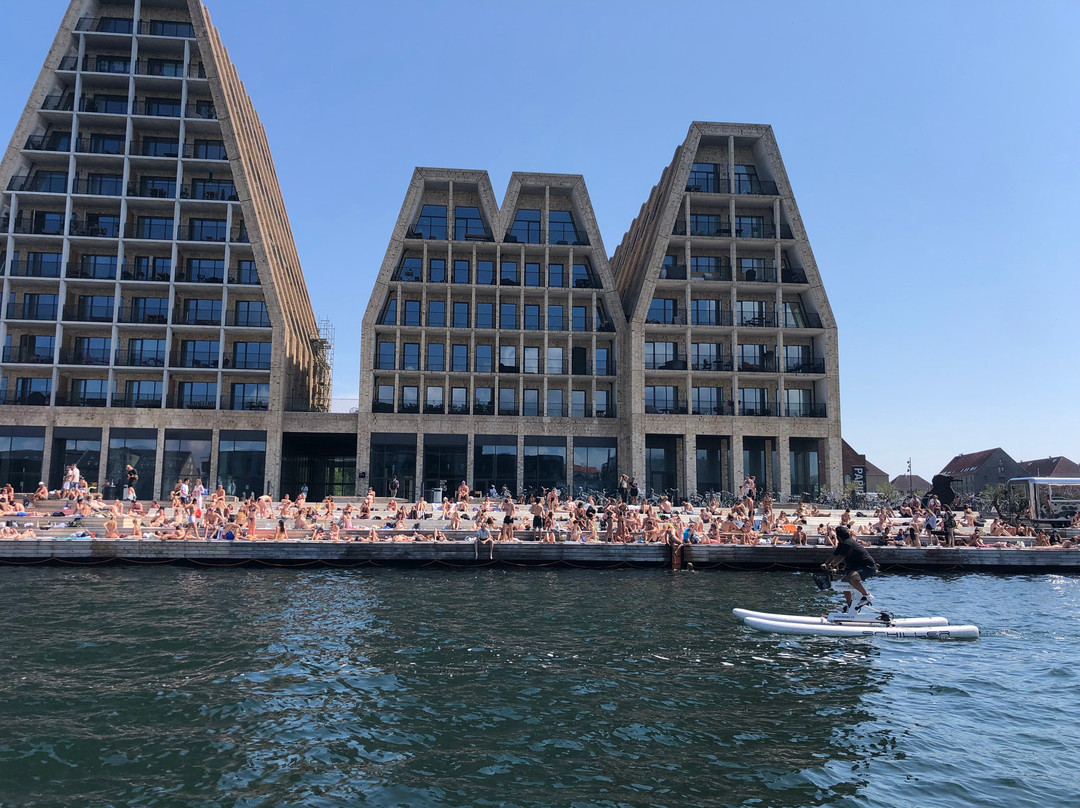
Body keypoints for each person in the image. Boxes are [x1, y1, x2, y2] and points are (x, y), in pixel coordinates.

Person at [821, 525, 877, 613]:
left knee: (852, 578)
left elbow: (840, 557)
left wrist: (832, 565)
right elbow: (835, 554)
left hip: (868, 567)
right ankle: (851, 607)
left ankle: (867, 596)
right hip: (857, 567)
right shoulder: (842, 544)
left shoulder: (848, 543)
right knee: (844, 582)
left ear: (839, 536)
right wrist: (826, 563)